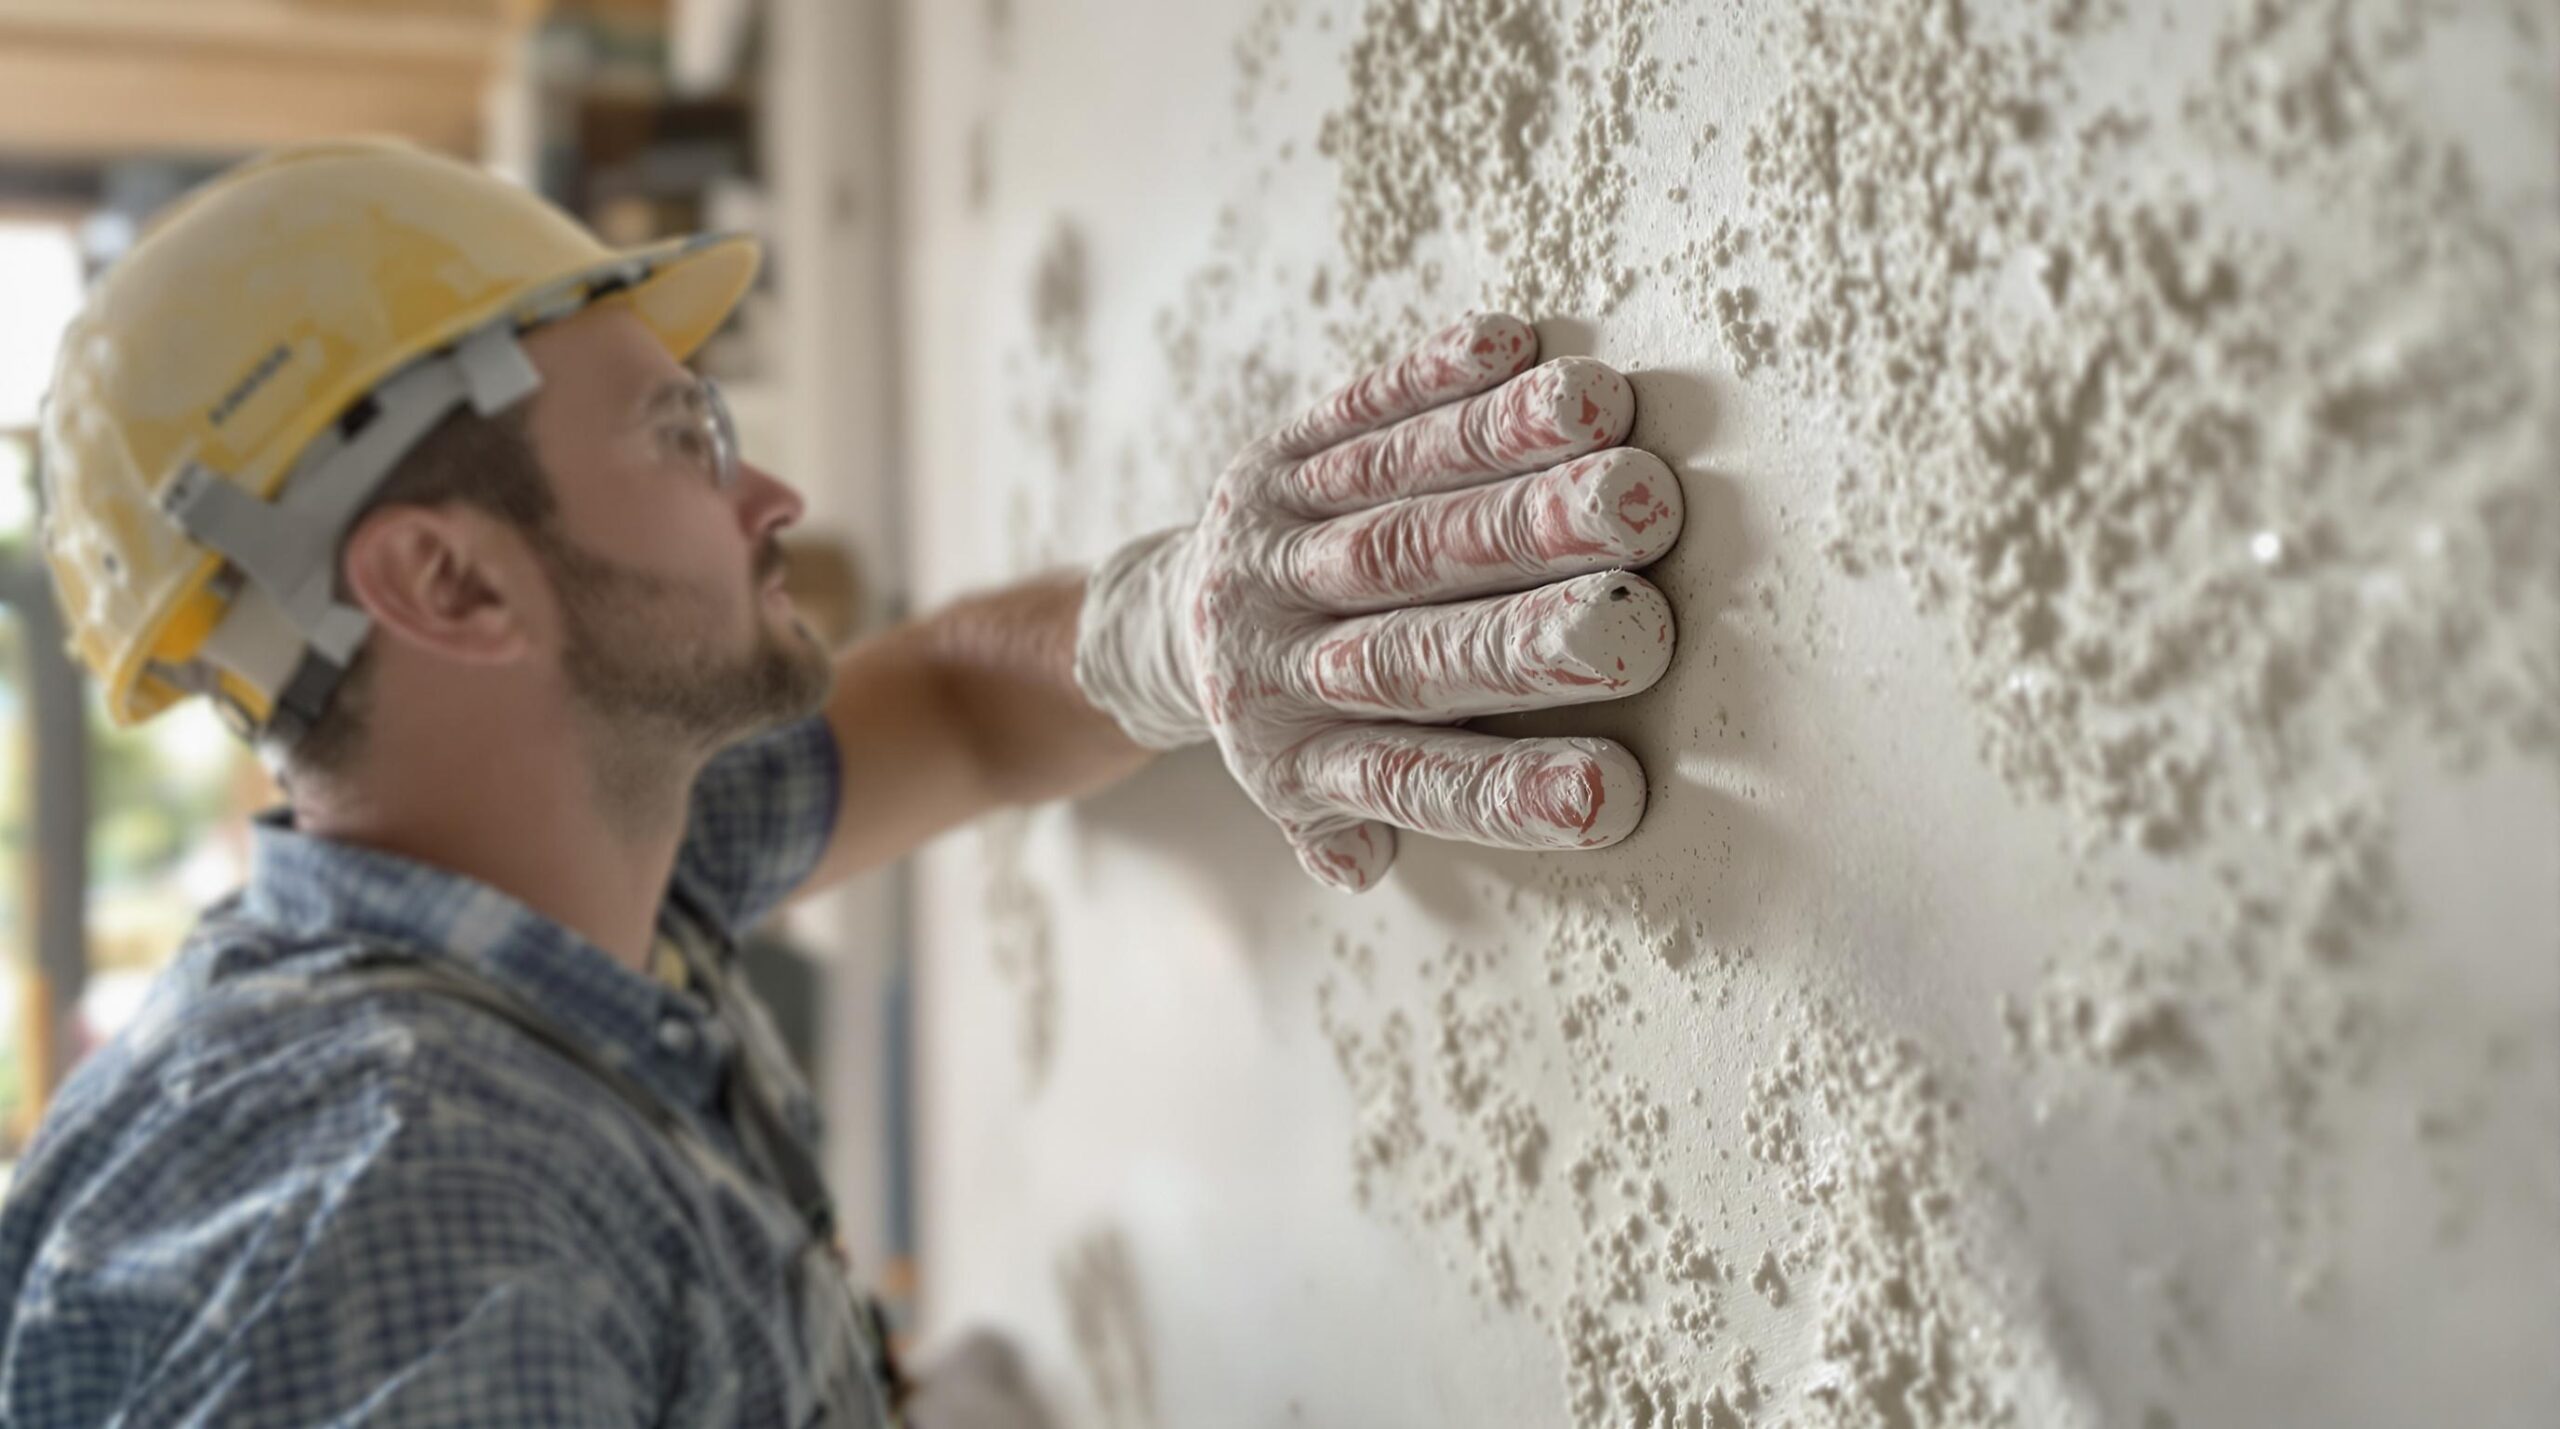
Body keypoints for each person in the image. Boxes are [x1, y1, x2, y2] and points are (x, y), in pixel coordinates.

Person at [0, 139, 1683, 1425]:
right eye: (680, 435)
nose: (775, 494)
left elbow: (951, 703)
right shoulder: (414, 1203)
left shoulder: (553, 868)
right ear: (450, 585)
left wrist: (1185, 626)